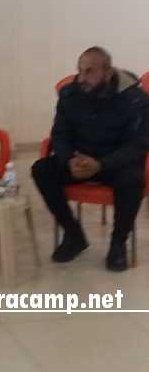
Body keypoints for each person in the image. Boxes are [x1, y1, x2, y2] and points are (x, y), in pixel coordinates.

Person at [32, 47, 149, 272]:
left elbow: (138, 145)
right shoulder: (70, 94)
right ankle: (74, 235)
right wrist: (68, 160)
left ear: (108, 72)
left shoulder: (135, 99)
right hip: (80, 161)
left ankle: (118, 245)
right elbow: (60, 133)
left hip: (115, 164)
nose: (81, 78)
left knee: (133, 180)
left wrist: (102, 164)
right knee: (42, 169)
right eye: (79, 70)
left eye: (89, 71)